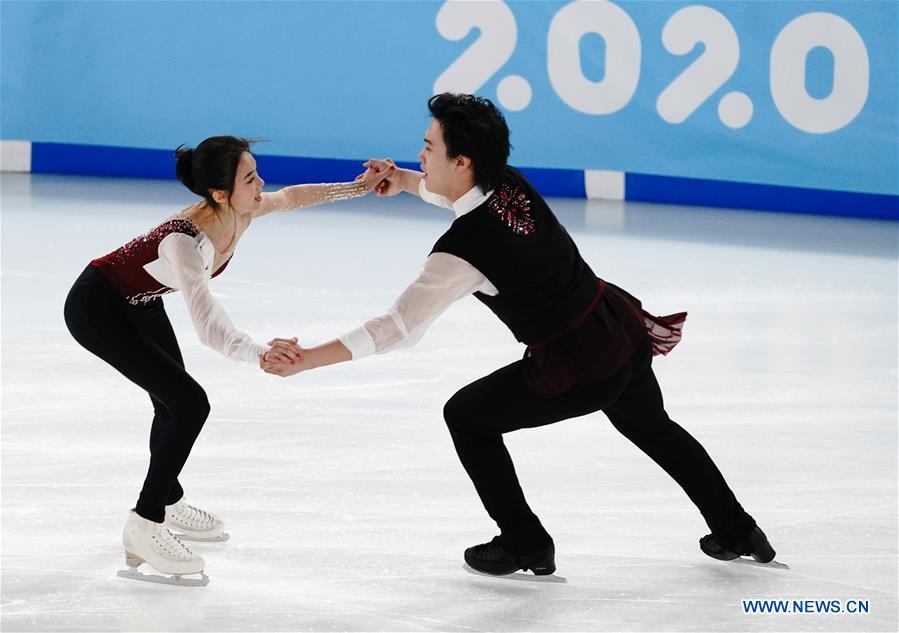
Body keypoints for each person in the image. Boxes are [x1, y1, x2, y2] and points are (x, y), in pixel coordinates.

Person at [261, 95, 776, 576]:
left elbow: (397, 328)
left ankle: (523, 539)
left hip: (579, 364)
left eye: (428, 147)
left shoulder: (461, 253)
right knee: (654, 427)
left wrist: (308, 359)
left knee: (467, 417)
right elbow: (460, 197)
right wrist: (404, 179)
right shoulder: (508, 181)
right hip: (617, 329)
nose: (420, 153)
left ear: (462, 161)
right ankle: (737, 528)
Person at [63, 136, 391, 583]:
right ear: (219, 194)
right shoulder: (185, 241)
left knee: (171, 401)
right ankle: (145, 521)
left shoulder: (244, 208)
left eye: (257, 173)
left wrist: (358, 188)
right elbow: (208, 324)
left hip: (139, 301)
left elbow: (293, 197)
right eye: (250, 178)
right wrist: (259, 352)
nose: (262, 184)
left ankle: (167, 494)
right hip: (96, 307)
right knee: (189, 403)